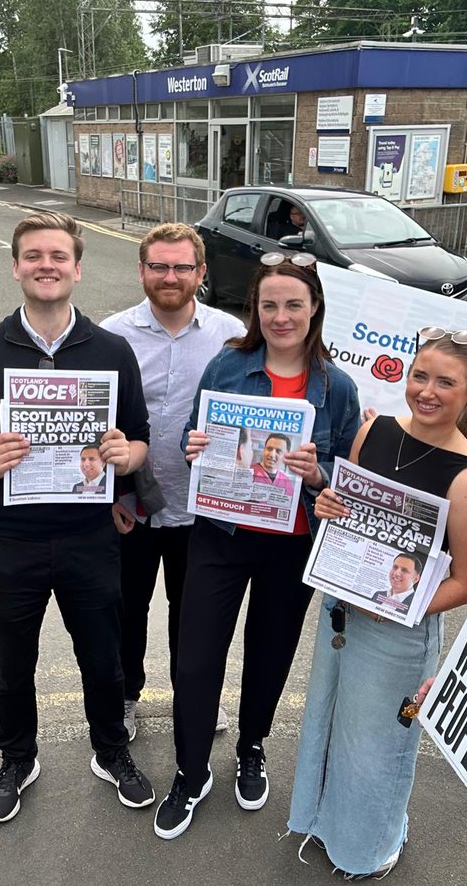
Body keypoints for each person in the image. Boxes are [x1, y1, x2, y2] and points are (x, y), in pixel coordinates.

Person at [0, 211, 155, 823]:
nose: (46, 266)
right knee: (12, 659)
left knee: (103, 658)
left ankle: (111, 751)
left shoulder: (112, 351)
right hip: (10, 538)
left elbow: (140, 442)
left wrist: (124, 455)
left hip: (90, 536)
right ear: (16, 267)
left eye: (58, 256)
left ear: (77, 269)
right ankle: (17, 758)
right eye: (34, 256)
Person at [152, 251, 362, 841]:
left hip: (290, 544)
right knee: (196, 660)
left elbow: (345, 477)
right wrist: (196, 448)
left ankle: (251, 745)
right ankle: (190, 772)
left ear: (315, 308)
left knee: (270, 656)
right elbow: (199, 434)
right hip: (219, 537)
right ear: (255, 310)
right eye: (269, 304)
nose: (281, 316)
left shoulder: (336, 387)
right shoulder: (227, 366)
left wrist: (318, 474)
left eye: (294, 304)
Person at [288, 326, 467, 878]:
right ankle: (322, 821)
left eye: (445, 382)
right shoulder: (373, 431)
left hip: (399, 630)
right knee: (330, 720)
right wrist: (329, 501)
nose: (427, 391)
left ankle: (371, 846)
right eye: (419, 376)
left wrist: (400, 608)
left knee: (376, 745)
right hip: (343, 609)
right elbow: (345, 503)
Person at [100, 222, 245, 742]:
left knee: (197, 618)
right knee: (126, 611)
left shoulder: (230, 336)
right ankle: (126, 696)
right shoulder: (110, 334)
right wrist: (112, 492)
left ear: (200, 273)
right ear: (141, 270)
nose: (170, 276)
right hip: (131, 505)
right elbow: (95, 423)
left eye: (182, 267)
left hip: (205, 507)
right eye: (158, 266)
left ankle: (198, 698)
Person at [251, 432, 295, 498]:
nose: (272, 455)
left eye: (278, 451)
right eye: (269, 449)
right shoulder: (249, 472)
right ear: (264, 450)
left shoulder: (286, 482)